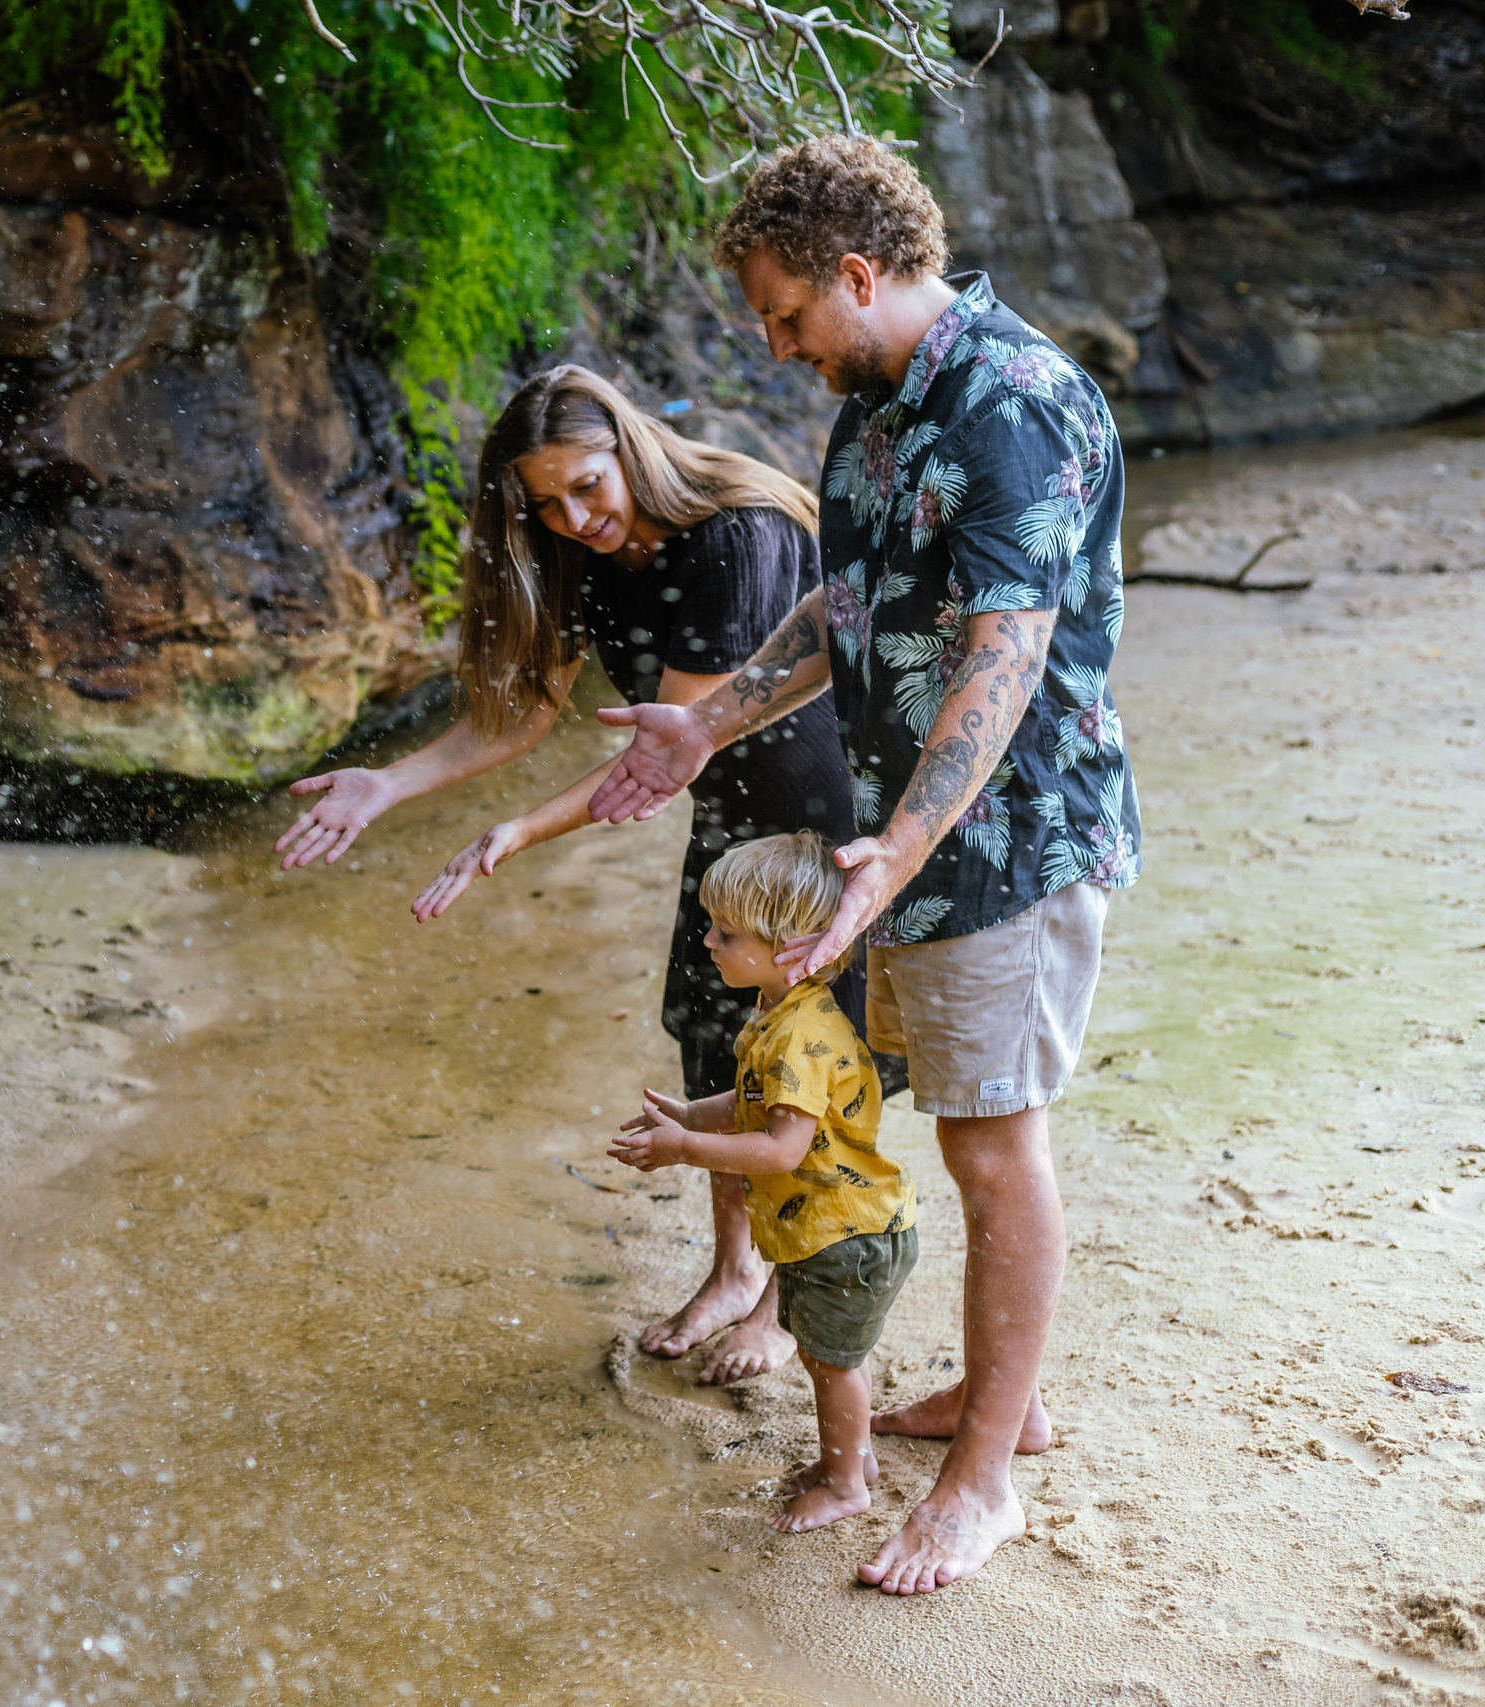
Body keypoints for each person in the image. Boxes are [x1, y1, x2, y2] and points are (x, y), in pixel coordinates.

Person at [587, 134, 1142, 1594]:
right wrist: (702, 724)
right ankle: (988, 1394)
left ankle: (979, 1479)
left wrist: (898, 846)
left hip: (1001, 845)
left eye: (785, 313)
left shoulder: (1013, 402)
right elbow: (844, 609)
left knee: (991, 1139)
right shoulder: (876, 402)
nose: (777, 346)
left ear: (856, 270)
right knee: (932, 1112)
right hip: (899, 844)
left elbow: (1003, 655)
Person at [276, 364, 901, 1386]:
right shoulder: (581, 555)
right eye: (546, 503)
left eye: (586, 489)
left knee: (809, 1063)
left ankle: (791, 1299)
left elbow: (665, 751)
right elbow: (521, 710)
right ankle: (734, 1268)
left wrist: (514, 833)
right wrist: (387, 785)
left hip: (821, 828)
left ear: (631, 450)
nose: (572, 519)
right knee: (714, 1034)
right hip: (731, 828)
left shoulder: (734, 534)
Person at [608, 831, 912, 1534]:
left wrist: (685, 1146)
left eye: (727, 931)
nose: (708, 940)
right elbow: (753, 1102)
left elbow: (779, 1147)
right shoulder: (782, 1015)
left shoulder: (800, 1039)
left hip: (847, 1234)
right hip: (831, 1227)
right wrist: (690, 1112)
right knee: (821, 1350)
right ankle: (853, 1457)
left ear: (789, 946)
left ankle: (844, 1484)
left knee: (832, 1361)